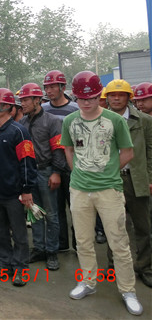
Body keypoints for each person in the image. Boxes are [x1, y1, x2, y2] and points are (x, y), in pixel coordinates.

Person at [61, 71, 142, 316]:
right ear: (75, 97)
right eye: (81, 98)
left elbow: (128, 153)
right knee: (83, 241)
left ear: (100, 96)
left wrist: (107, 172)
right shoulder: (70, 121)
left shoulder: (114, 121)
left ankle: (128, 290)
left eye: (92, 98)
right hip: (79, 190)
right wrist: (79, 173)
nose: (87, 102)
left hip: (109, 190)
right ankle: (88, 281)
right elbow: (68, 149)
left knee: (119, 242)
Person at [0, 88, 37, 287]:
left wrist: (27, 189)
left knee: (19, 233)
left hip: (13, 194)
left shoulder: (19, 132)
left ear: (6, 107)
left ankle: (21, 268)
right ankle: (4, 264)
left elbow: (27, 162)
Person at [105, 79, 152, 288]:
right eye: (112, 95)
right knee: (113, 225)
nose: (116, 99)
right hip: (111, 179)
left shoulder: (144, 121)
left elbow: (150, 151)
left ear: (128, 98)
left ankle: (145, 266)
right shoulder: (99, 121)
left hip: (137, 179)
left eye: (121, 95)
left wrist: (149, 178)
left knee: (143, 227)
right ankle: (113, 265)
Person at [18, 83, 65, 272]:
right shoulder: (22, 123)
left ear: (37, 100)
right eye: (21, 100)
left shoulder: (52, 121)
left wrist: (56, 172)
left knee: (51, 214)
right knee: (34, 212)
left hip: (47, 171)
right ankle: (39, 248)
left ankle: (52, 251)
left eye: (26, 100)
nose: (22, 103)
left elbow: (59, 149)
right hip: (29, 173)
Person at [42, 70, 79, 253]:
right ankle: (61, 243)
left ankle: (79, 244)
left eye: (53, 87)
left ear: (63, 87)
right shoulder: (43, 110)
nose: (49, 91)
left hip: (73, 167)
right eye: (46, 87)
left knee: (77, 208)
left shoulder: (75, 109)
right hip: (52, 167)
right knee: (55, 209)